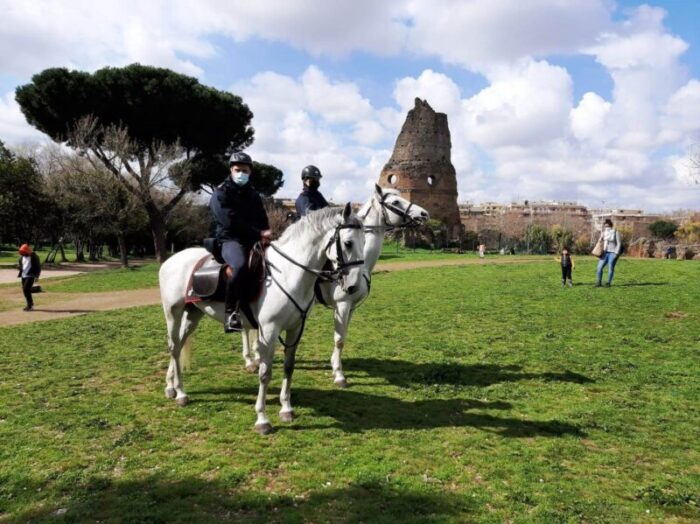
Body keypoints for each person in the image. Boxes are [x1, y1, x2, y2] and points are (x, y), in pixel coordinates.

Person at [210, 152, 271, 333]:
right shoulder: (220, 193)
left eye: (245, 170)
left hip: (253, 240)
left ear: (250, 172)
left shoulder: (253, 194)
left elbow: (262, 217)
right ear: (231, 170)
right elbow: (230, 222)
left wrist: (266, 233)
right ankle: (231, 314)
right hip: (229, 240)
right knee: (240, 265)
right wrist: (257, 232)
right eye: (238, 170)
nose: (241, 173)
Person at [596, 219, 622, 287]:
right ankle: (598, 282)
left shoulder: (616, 232)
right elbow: (600, 241)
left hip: (613, 252)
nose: (607, 227)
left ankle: (608, 282)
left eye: (608, 226)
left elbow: (619, 243)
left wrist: (616, 253)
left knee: (610, 267)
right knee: (599, 267)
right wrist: (600, 238)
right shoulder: (604, 233)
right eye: (605, 226)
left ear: (611, 225)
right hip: (604, 252)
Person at [16, 243, 41, 311]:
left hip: (31, 275)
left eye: (24, 252)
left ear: (28, 251)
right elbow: (22, 266)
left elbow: (38, 267)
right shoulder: (21, 258)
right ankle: (30, 304)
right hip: (23, 275)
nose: (23, 253)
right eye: (22, 252)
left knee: (26, 289)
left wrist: (37, 276)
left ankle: (30, 305)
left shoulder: (34, 257)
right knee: (25, 290)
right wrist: (19, 267)